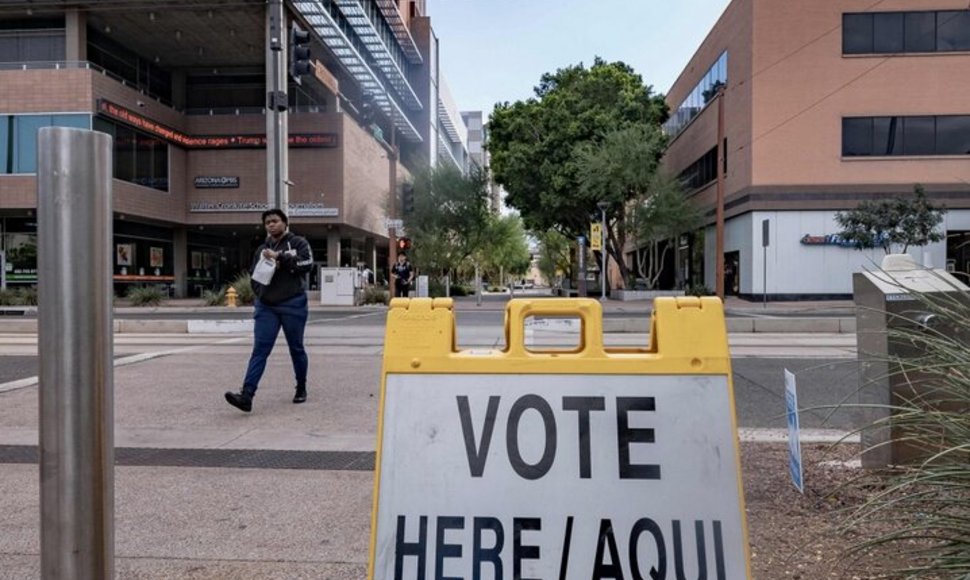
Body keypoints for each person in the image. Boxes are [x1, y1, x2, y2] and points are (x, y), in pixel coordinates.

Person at [225, 208, 313, 413]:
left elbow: (306, 264)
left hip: (293, 304)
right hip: (267, 307)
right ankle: (246, 395)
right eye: (267, 223)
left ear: (284, 223)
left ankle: (301, 387)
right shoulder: (262, 249)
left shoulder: (298, 243)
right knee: (260, 351)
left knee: (296, 348)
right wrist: (260, 296)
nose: (271, 225)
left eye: (275, 221)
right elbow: (254, 276)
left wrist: (280, 257)